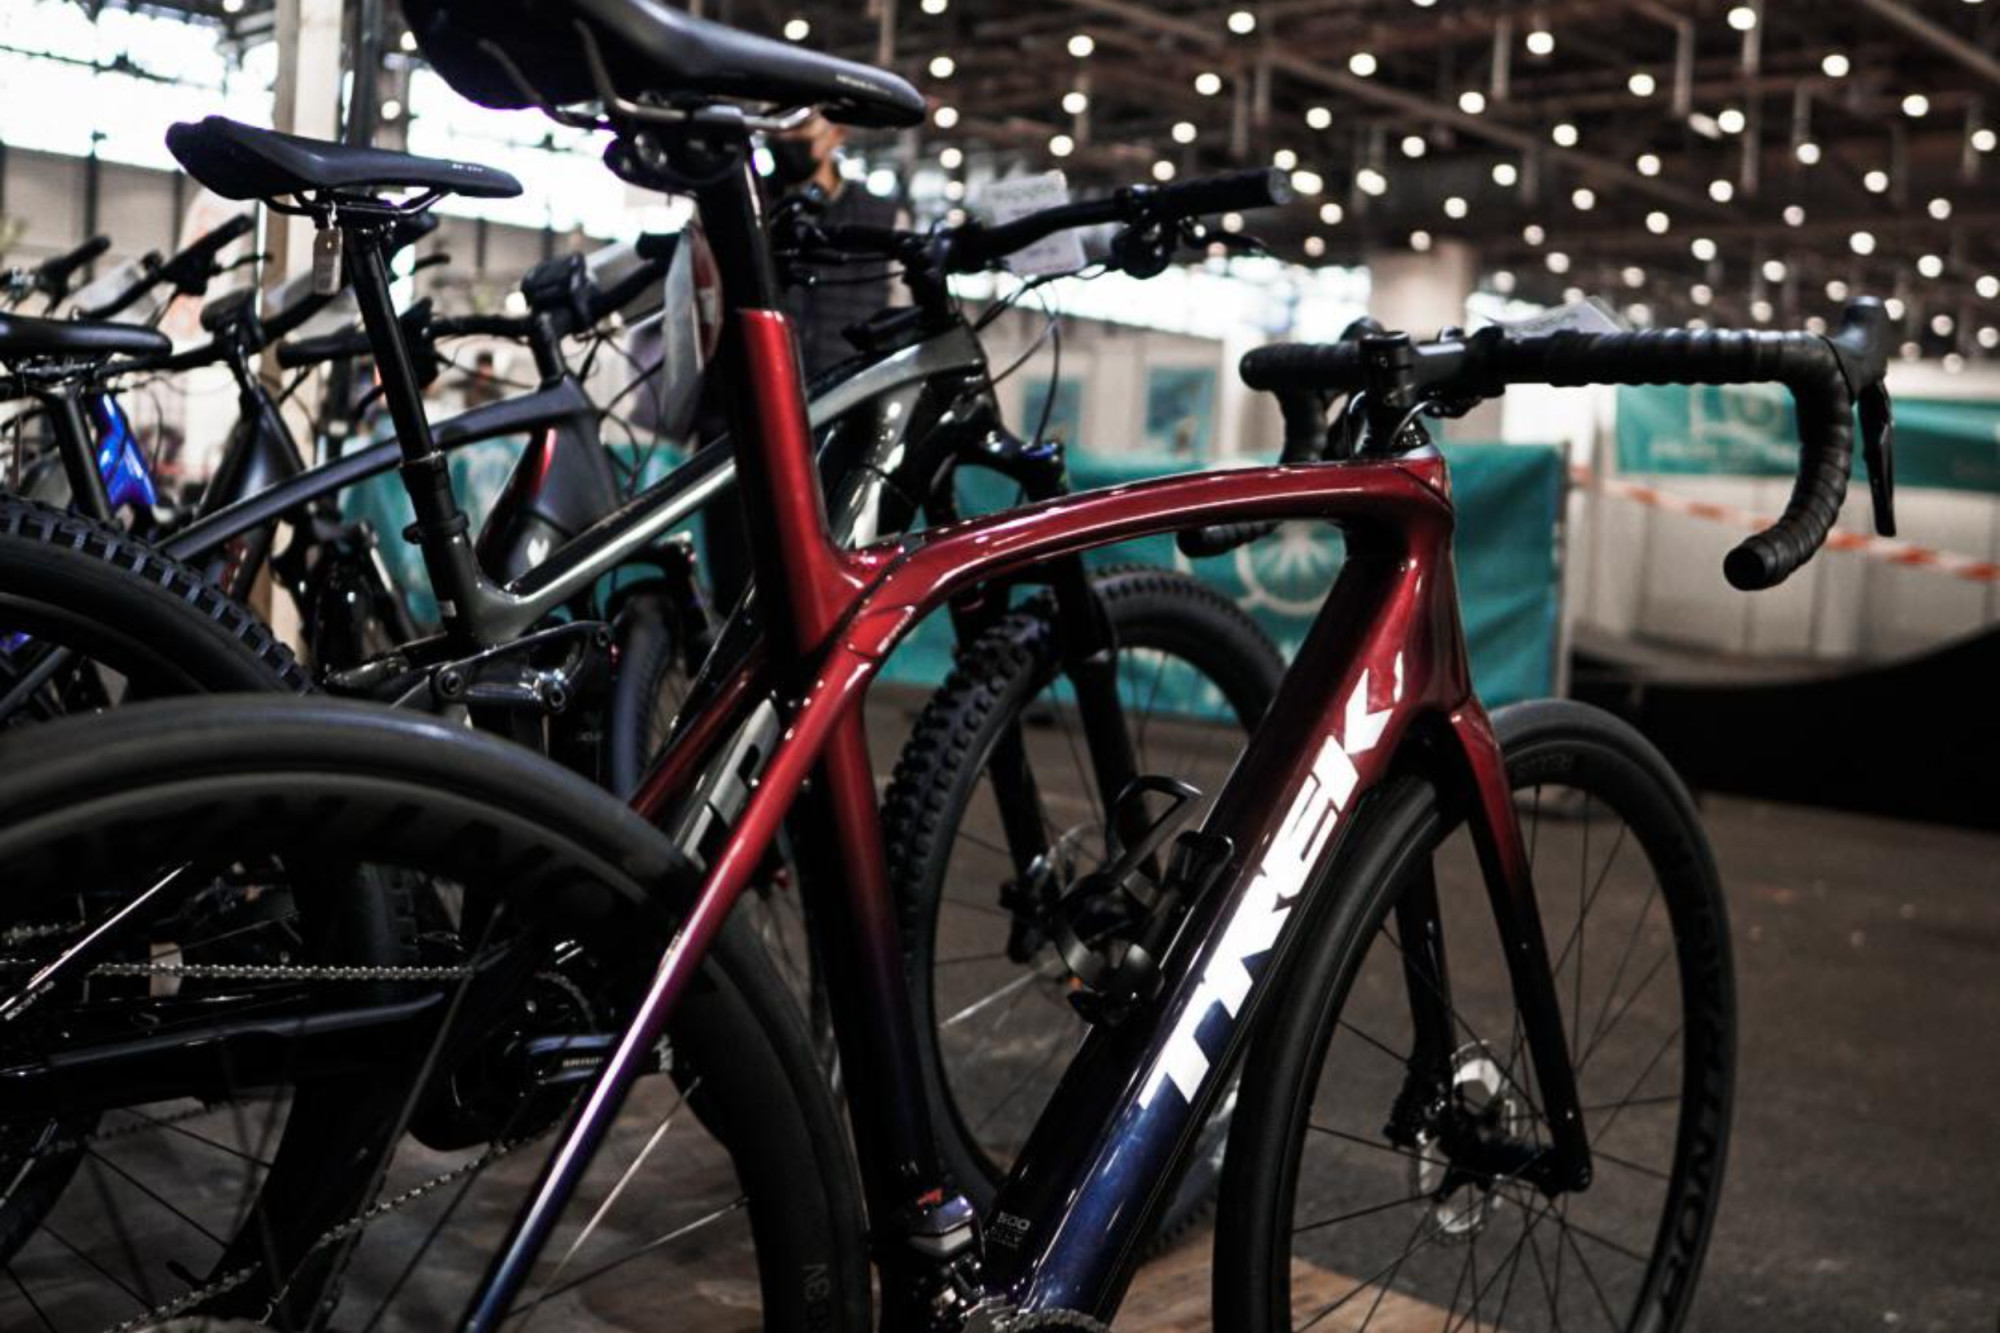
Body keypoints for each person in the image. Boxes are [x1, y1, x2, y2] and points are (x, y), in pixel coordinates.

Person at [766, 112, 902, 378]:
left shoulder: (881, 215)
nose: (784, 135)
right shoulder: (749, 207)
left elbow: (898, 304)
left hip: (849, 385)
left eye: (800, 126)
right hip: (767, 380)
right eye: (776, 125)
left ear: (837, 134)